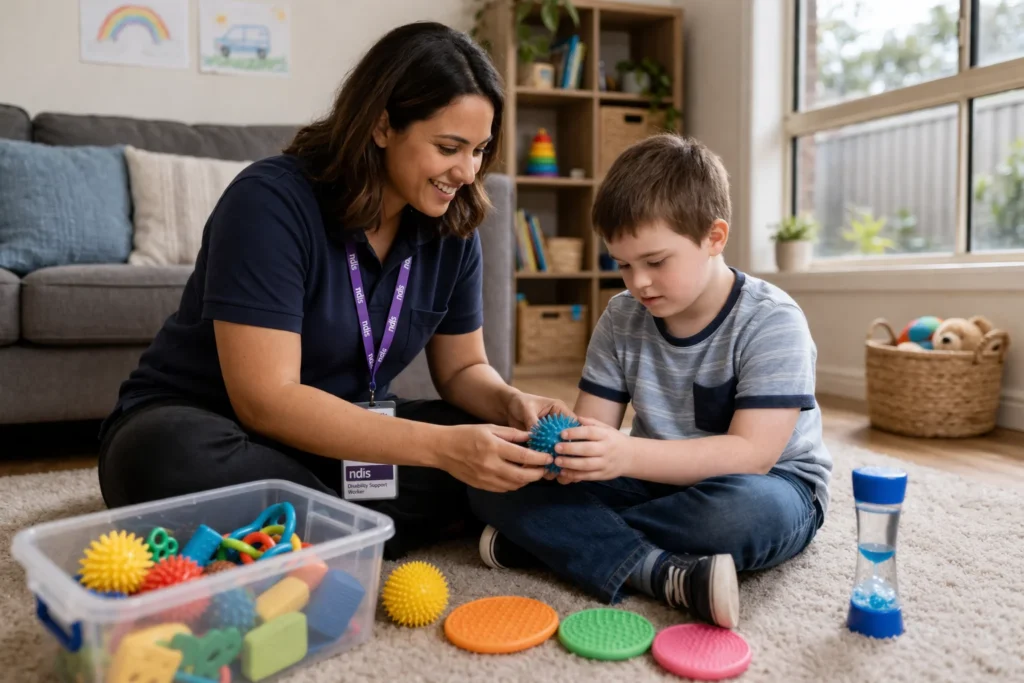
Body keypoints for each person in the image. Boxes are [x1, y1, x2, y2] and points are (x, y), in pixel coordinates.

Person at [96, 22, 567, 560]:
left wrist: (511, 402)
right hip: (213, 425)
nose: (467, 171)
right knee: (164, 461)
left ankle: (305, 529)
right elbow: (265, 401)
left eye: (480, 150)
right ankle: (378, 527)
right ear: (383, 125)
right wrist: (442, 451)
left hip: (344, 435)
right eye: (448, 147)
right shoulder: (270, 202)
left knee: (502, 442)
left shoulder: (453, 226)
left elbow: (462, 370)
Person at [468, 134, 832, 629]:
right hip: (654, 479)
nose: (638, 282)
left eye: (656, 262)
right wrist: (563, 452)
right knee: (491, 482)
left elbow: (753, 455)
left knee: (741, 517)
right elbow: (593, 430)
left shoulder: (773, 321)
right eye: (623, 265)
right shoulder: (622, 317)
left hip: (770, 486)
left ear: (714, 237)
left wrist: (625, 454)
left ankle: (548, 541)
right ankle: (656, 570)